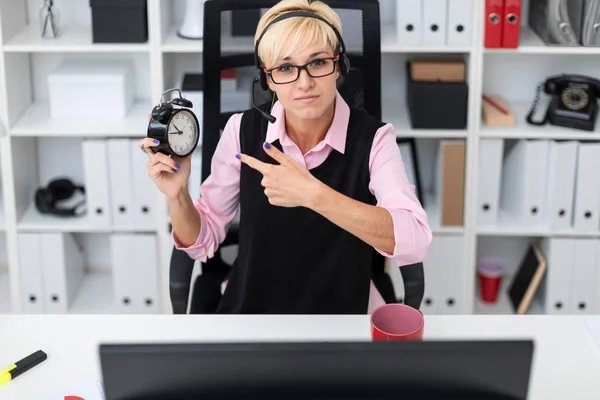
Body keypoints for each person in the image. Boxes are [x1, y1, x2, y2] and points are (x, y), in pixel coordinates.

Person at [139, 0, 432, 314]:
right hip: (254, 309)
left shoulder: (375, 139)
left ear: (339, 66)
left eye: (318, 62)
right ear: (267, 79)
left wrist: (313, 194)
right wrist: (178, 196)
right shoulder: (240, 131)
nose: (304, 83)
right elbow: (203, 241)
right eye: (285, 68)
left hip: (344, 313)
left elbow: (415, 239)